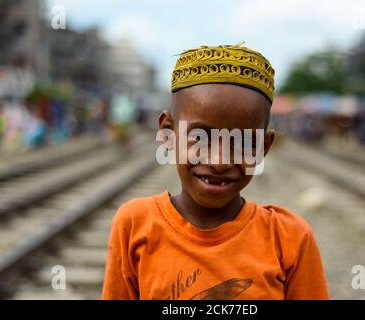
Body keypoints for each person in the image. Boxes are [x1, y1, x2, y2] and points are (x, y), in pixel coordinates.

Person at [101, 45, 329, 300]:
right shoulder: (134, 225)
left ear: (264, 147)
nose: (219, 162)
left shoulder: (290, 239)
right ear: (168, 133)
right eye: (200, 137)